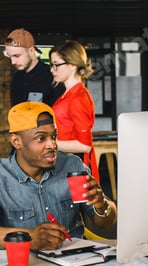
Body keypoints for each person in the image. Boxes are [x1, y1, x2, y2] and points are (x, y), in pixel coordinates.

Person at [0, 101, 116, 251]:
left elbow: (106, 222)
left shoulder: (72, 166)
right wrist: (30, 238)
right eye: (41, 138)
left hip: (75, 260)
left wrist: (102, 205)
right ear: (16, 141)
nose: (52, 145)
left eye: (54, 136)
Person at [49, 40, 100, 181]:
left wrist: (49, 144)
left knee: (78, 202)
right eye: (51, 65)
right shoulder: (69, 94)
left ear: (72, 65)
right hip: (66, 164)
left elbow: (85, 145)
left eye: (56, 64)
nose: (52, 69)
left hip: (75, 169)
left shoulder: (78, 97)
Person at [4, 28, 64, 106]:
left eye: (17, 56)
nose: (13, 62)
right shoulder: (17, 78)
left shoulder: (52, 76)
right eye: (10, 56)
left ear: (31, 51)